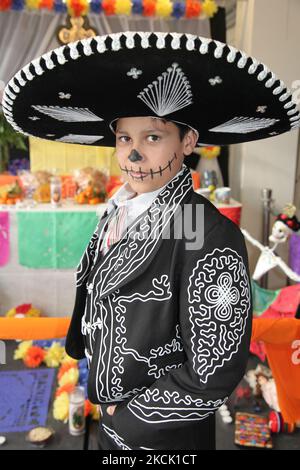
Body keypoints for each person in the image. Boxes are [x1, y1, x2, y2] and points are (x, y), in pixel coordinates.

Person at [2, 31, 299, 450]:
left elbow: (213, 372)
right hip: (111, 413)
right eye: (125, 139)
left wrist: (127, 423)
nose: (133, 155)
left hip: (161, 438)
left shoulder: (211, 236)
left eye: (153, 138)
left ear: (189, 141)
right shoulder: (120, 206)